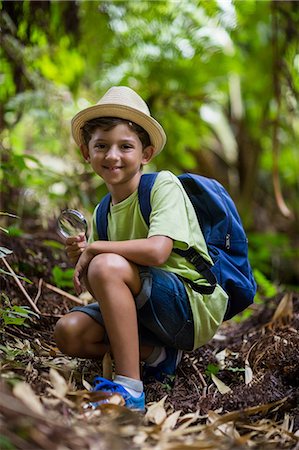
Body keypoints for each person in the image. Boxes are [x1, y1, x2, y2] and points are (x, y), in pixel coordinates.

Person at [53, 86, 228, 411]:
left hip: (188, 307)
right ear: (86, 152)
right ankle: (157, 356)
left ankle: (130, 389)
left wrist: (97, 251)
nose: (113, 155)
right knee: (69, 333)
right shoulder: (103, 211)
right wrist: (83, 259)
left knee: (105, 263)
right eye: (101, 146)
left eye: (126, 146)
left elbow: (158, 251)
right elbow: (103, 288)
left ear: (145, 154)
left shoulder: (161, 186)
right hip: (146, 310)